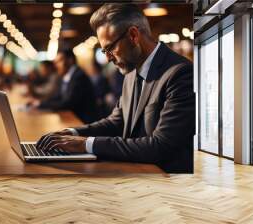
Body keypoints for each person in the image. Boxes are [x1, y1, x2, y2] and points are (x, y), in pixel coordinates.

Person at [37, 4, 195, 173]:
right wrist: (72, 133)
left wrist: (85, 144)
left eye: (110, 48)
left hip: (167, 183)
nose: (107, 58)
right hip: (135, 172)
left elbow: (160, 146)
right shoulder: (131, 72)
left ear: (133, 35)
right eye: (104, 50)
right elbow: (116, 122)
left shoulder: (181, 74)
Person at [29, 49, 98, 123]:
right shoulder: (67, 75)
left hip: (83, 121)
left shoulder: (78, 76)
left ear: (70, 60)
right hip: (73, 117)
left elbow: (67, 103)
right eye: (55, 62)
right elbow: (58, 96)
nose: (56, 65)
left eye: (59, 61)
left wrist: (41, 104)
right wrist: (40, 102)